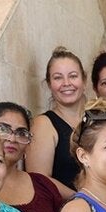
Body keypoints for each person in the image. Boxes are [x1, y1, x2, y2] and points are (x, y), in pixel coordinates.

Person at [26, 47, 87, 195]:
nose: (66, 83)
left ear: (84, 80)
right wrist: (84, 200)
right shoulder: (43, 124)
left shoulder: (99, 118)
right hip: (66, 211)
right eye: (58, 77)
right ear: (49, 84)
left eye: (73, 76)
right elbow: (40, 180)